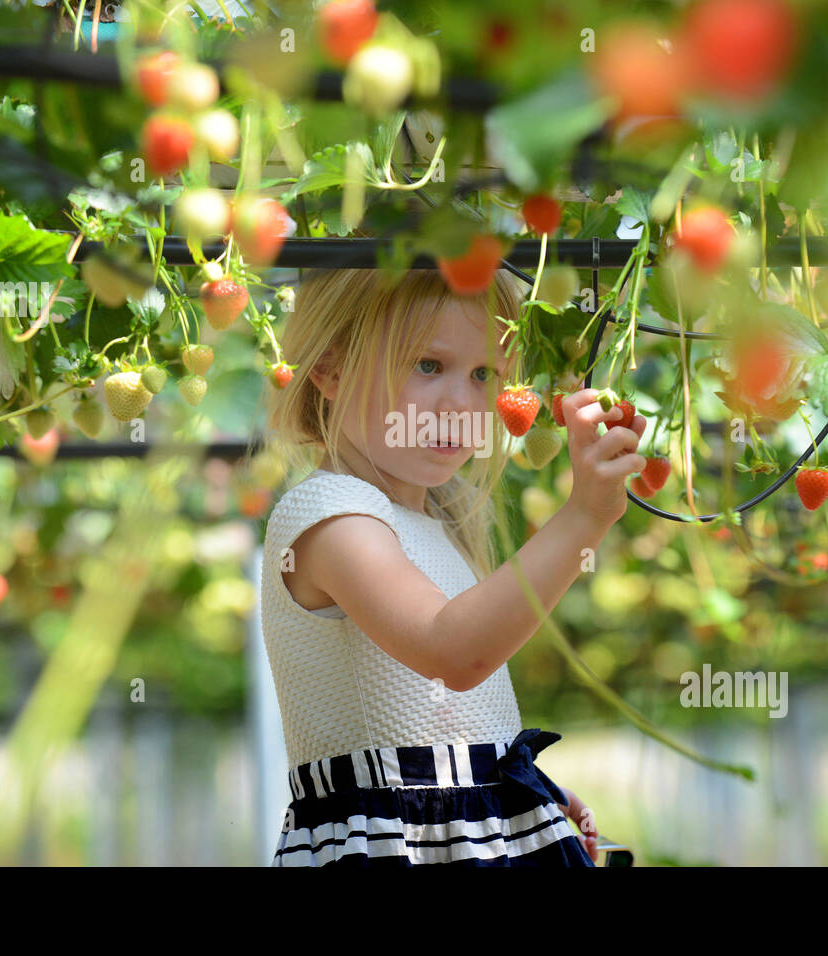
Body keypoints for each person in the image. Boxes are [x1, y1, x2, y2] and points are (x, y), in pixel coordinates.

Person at [258, 267, 647, 866]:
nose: (461, 403)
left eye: (483, 374)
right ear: (330, 368)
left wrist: (524, 796)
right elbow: (453, 653)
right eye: (427, 366)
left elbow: (452, 723)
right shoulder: (330, 514)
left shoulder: (434, 522)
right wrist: (583, 517)